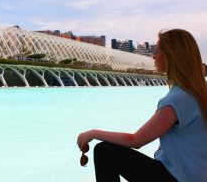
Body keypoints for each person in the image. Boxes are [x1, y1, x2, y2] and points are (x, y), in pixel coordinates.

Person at [77, 29, 207, 182]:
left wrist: (93, 133)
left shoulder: (177, 99)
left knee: (104, 151)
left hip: (176, 178)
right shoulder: (199, 92)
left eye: (157, 51)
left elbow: (135, 140)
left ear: (170, 56)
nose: (153, 56)